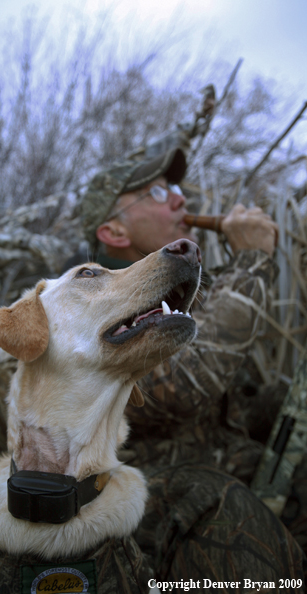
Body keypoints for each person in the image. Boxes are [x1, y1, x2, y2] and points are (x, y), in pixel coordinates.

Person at [79, 140, 307, 590]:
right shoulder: (87, 310)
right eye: (159, 193)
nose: (181, 198)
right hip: (138, 501)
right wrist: (252, 260)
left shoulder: (175, 295)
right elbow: (184, 387)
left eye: (175, 187)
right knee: (220, 503)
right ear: (115, 233)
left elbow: (226, 403)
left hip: (218, 463)